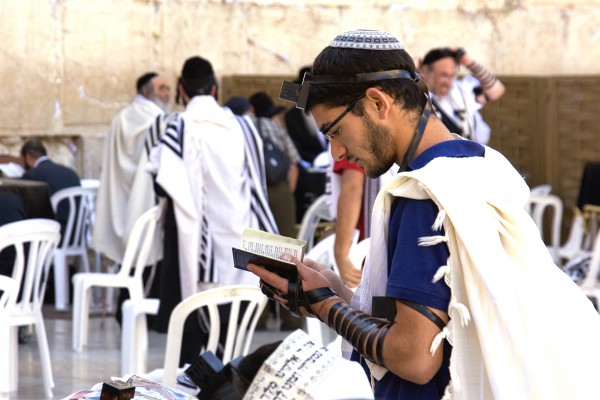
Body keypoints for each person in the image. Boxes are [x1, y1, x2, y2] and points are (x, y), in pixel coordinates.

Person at [247, 29, 600, 399]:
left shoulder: (423, 196)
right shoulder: (477, 162)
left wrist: (326, 305)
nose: (336, 151)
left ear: (378, 103)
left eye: (335, 130)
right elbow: (424, 323)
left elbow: (415, 357)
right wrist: (335, 292)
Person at [146, 56, 277, 364]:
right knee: (230, 327)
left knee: (190, 328)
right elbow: (258, 184)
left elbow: (162, 182)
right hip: (239, 236)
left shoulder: (178, 125)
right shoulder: (243, 126)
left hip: (192, 244)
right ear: (215, 89)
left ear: (181, 90)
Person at [92, 72, 170, 265]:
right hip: (147, 196)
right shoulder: (159, 121)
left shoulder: (120, 118)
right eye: (161, 88)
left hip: (120, 197)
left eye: (167, 88)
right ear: (146, 91)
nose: (167, 93)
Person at [419, 47, 505, 145]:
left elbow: (496, 91)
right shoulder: (417, 97)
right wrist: (411, 65)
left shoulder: (461, 91)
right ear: (425, 71)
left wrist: (469, 63)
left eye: (451, 76)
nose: (448, 82)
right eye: (443, 75)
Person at [248, 91, 301, 238]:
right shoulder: (276, 127)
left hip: (252, 189)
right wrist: (287, 193)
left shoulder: (244, 126)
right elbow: (293, 166)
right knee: (285, 241)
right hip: (279, 189)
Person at [284, 66, 329, 222]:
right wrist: (316, 159)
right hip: (308, 171)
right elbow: (296, 147)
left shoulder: (330, 111)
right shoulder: (292, 116)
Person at [20, 138, 80, 230]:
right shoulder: (70, 171)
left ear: (28, 156)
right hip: (77, 232)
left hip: (54, 233)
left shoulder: (33, 174)